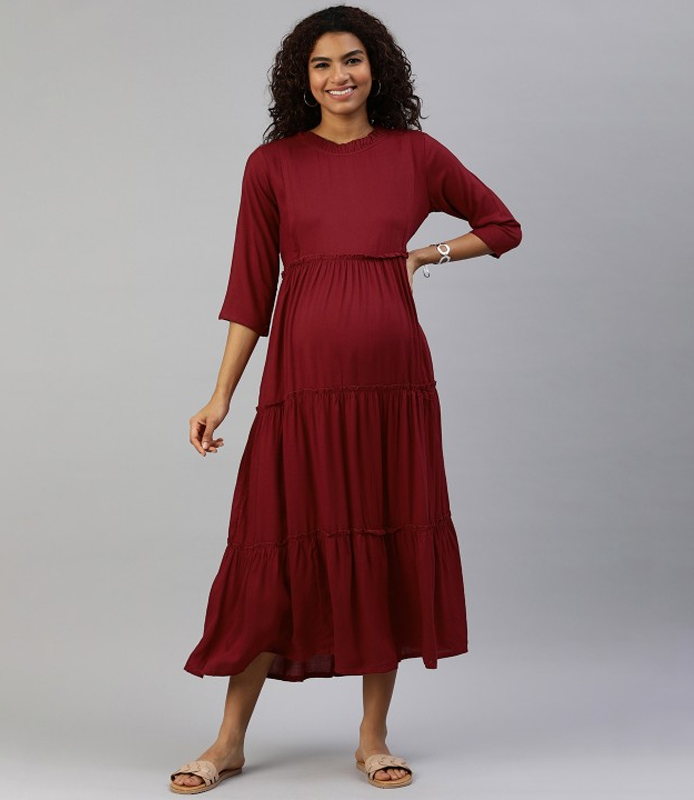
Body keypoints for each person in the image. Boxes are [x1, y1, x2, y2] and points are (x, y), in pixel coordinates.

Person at [172, 4, 522, 793]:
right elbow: (249, 291)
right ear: (303, 80)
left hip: (393, 389)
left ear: (377, 69)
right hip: (300, 388)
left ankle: (372, 738)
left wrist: (423, 255)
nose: (340, 75)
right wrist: (220, 395)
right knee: (274, 545)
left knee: (383, 537)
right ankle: (227, 742)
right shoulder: (272, 166)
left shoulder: (415, 154)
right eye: (323, 64)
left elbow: (502, 225)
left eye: (353, 59)